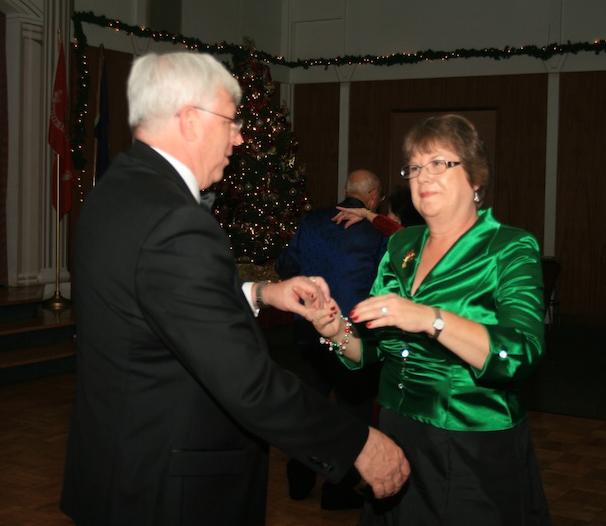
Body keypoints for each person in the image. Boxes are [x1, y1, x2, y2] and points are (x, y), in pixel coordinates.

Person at [59, 51, 409, 526]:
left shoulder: (115, 193)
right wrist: (358, 443)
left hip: (120, 464)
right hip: (172, 489)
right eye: (230, 120)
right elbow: (248, 382)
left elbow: (159, 306)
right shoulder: (175, 221)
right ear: (188, 120)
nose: (240, 136)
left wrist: (261, 294)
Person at [313, 114, 550, 524]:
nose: (424, 176)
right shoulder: (402, 243)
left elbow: (521, 353)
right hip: (394, 436)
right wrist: (337, 332)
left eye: (440, 163)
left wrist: (431, 319)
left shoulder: (509, 248)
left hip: (469, 444)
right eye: (415, 168)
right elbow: (373, 349)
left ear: (476, 178)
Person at [274, 169, 388, 510]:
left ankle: (300, 478)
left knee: (310, 410)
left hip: (310, 331)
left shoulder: (311, 221)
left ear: (345, 190)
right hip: (352, 337)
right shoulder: (376, 231)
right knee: (352, 416)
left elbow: (285, 265)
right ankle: (337, 491)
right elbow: (387, 280)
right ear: (372, 197)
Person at [332, 184, 425, 236]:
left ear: (397, 218)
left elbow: (399, 233)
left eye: (389, 212)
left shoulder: (402, 245)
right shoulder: (426, 238)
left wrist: (366, 213)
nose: (386, 216)